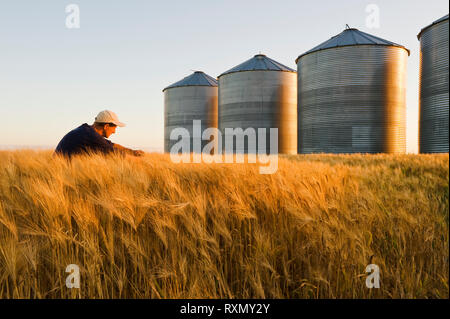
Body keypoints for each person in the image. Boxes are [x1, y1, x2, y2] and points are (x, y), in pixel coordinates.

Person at [55, 110, 144, 158]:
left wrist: (132, 151)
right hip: (59, 173)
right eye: (114, 128)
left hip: (59, 168)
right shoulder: (92, 137)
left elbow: (112, 145)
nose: (114, 132)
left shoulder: (87, 131)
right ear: (106, 126)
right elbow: (119, 156)